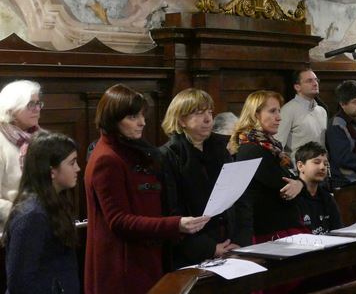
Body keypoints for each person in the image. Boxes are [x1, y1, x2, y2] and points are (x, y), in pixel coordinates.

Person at [84, 84, 209, 294]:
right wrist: (175, 224)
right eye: (133, 117)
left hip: (141, 257)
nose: (142, 122)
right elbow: (119, 220)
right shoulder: (107, 159)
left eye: (142, 115)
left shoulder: (129, 150)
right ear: (113, 120)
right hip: (123, 266)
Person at [160, 88, 239, 270]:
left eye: (210, 112)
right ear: (181, 120)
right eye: (199, 113)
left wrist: (237, 239)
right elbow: (172, 210)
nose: (208, 119)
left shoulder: (220, 150)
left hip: (228, 243)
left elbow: (236, 198)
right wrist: (210, 248)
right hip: (191, 252)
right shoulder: (169, 156)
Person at [3, 132, 80, 294]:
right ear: (51, 171)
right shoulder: (32, 215)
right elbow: (20, 283)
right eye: (72, 163)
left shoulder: (55, 202)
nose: (78, 168)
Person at [229, 90, 307, 245]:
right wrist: (300, 183)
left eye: (279, 111)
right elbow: (284, 186)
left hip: (279, 225)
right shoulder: (252, 149)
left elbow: (292, 184)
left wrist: (299, 184)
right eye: (272, 111)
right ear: (255, 114)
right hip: (269, 232)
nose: (279, 117)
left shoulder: (270, 146)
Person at [0, 80, 43, 230]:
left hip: (46, 221)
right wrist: (25, 214)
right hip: (13, 227)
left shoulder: (42, 137)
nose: (37, 108)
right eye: (31, 104)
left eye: (38, 103)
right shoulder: (1, 142)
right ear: (11, 108)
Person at [275, 69, 327, 159]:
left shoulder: (322, 111)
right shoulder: (288, 110)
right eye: (309, 81)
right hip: (298, 170)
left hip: (321, 167)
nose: (315, 83)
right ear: (297, 87)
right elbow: (278, 145)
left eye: (316, 80)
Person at [294, 141, 343, 234]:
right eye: (316, 162)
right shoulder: (292, 198)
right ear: (300, 166)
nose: (322, 167)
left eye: (325, 164)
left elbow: (338, 230)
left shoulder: (327, 197)